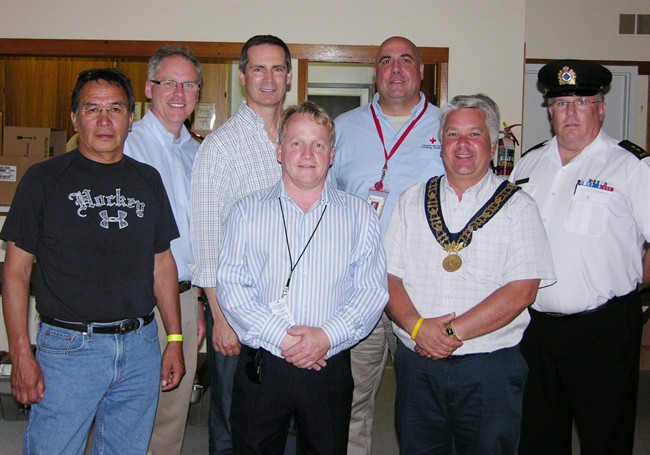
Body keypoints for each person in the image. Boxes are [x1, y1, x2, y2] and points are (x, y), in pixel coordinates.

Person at [1, 68, 184, 454]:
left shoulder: (147, 180)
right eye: (91, 109)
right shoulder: (43, 180)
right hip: (70, 350)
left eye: (115, 108)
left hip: (140, 347)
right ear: (74, 118)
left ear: (130, 118)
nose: (104, 120)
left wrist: (174, 338)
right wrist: (21, 353)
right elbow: (16, 270)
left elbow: (162, 263)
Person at [384, 94, 555, 454]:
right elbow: (387, 277)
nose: (462, 145)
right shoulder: (411, 200)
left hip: (489, 370)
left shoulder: (519, 207)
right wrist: (418, 329)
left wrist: (446, 333)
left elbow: (523, 290)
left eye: (473, 135)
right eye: (452, 134)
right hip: (417, 366)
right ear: (440, 143)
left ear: (492, 145)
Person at [216, 101, 389, 454]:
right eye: (296, 143)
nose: (307, 154)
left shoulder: (359, 216)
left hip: (328, 362)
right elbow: (232, 288)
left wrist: (326, 337)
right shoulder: (246, 212)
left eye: (318, 144)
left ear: (332, 154)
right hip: (263, 362)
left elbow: (371, 291)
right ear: (279, 151)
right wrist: (283, 339)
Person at [510, 60, 650, 455]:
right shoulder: (529, 164)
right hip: (534, 328)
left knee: (604, 434)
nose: (570, 112)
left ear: (600, 108)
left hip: (603, 329)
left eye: (582, 102)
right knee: (537, 434)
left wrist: (635, 281)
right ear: (550, 110)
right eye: (561, 103)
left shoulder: (631, 166)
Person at [331, 35, 444, 454]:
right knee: (353, 399)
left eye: (405, 60)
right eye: (386, 61)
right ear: (375, 72)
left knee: (424, 402)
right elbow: (325, 202)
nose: (396, 69)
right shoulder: (343, 129)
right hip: (358, 286)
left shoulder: (447, 127)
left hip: (422, 288)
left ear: (419, 70)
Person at [190, 34, 292, 455]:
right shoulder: (220, 147)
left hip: (294, 309)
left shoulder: (300, 138)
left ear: (289, 76)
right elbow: (206, 239)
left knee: (286, 418)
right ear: (242, 75)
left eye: (277, 69)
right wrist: (220, 317)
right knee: (233, 419)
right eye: (258, 68)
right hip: (236, 308)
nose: (268, 79)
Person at [124, 45, 206, 455]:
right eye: (168, 82)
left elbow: (198, 236)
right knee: (129, 409)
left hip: (184, 296)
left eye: (189, 83)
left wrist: (199, 303)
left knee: (172, 411)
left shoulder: (198, 153)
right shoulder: (125, 145)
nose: (179, 92)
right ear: (148, 88)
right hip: (134, 299)